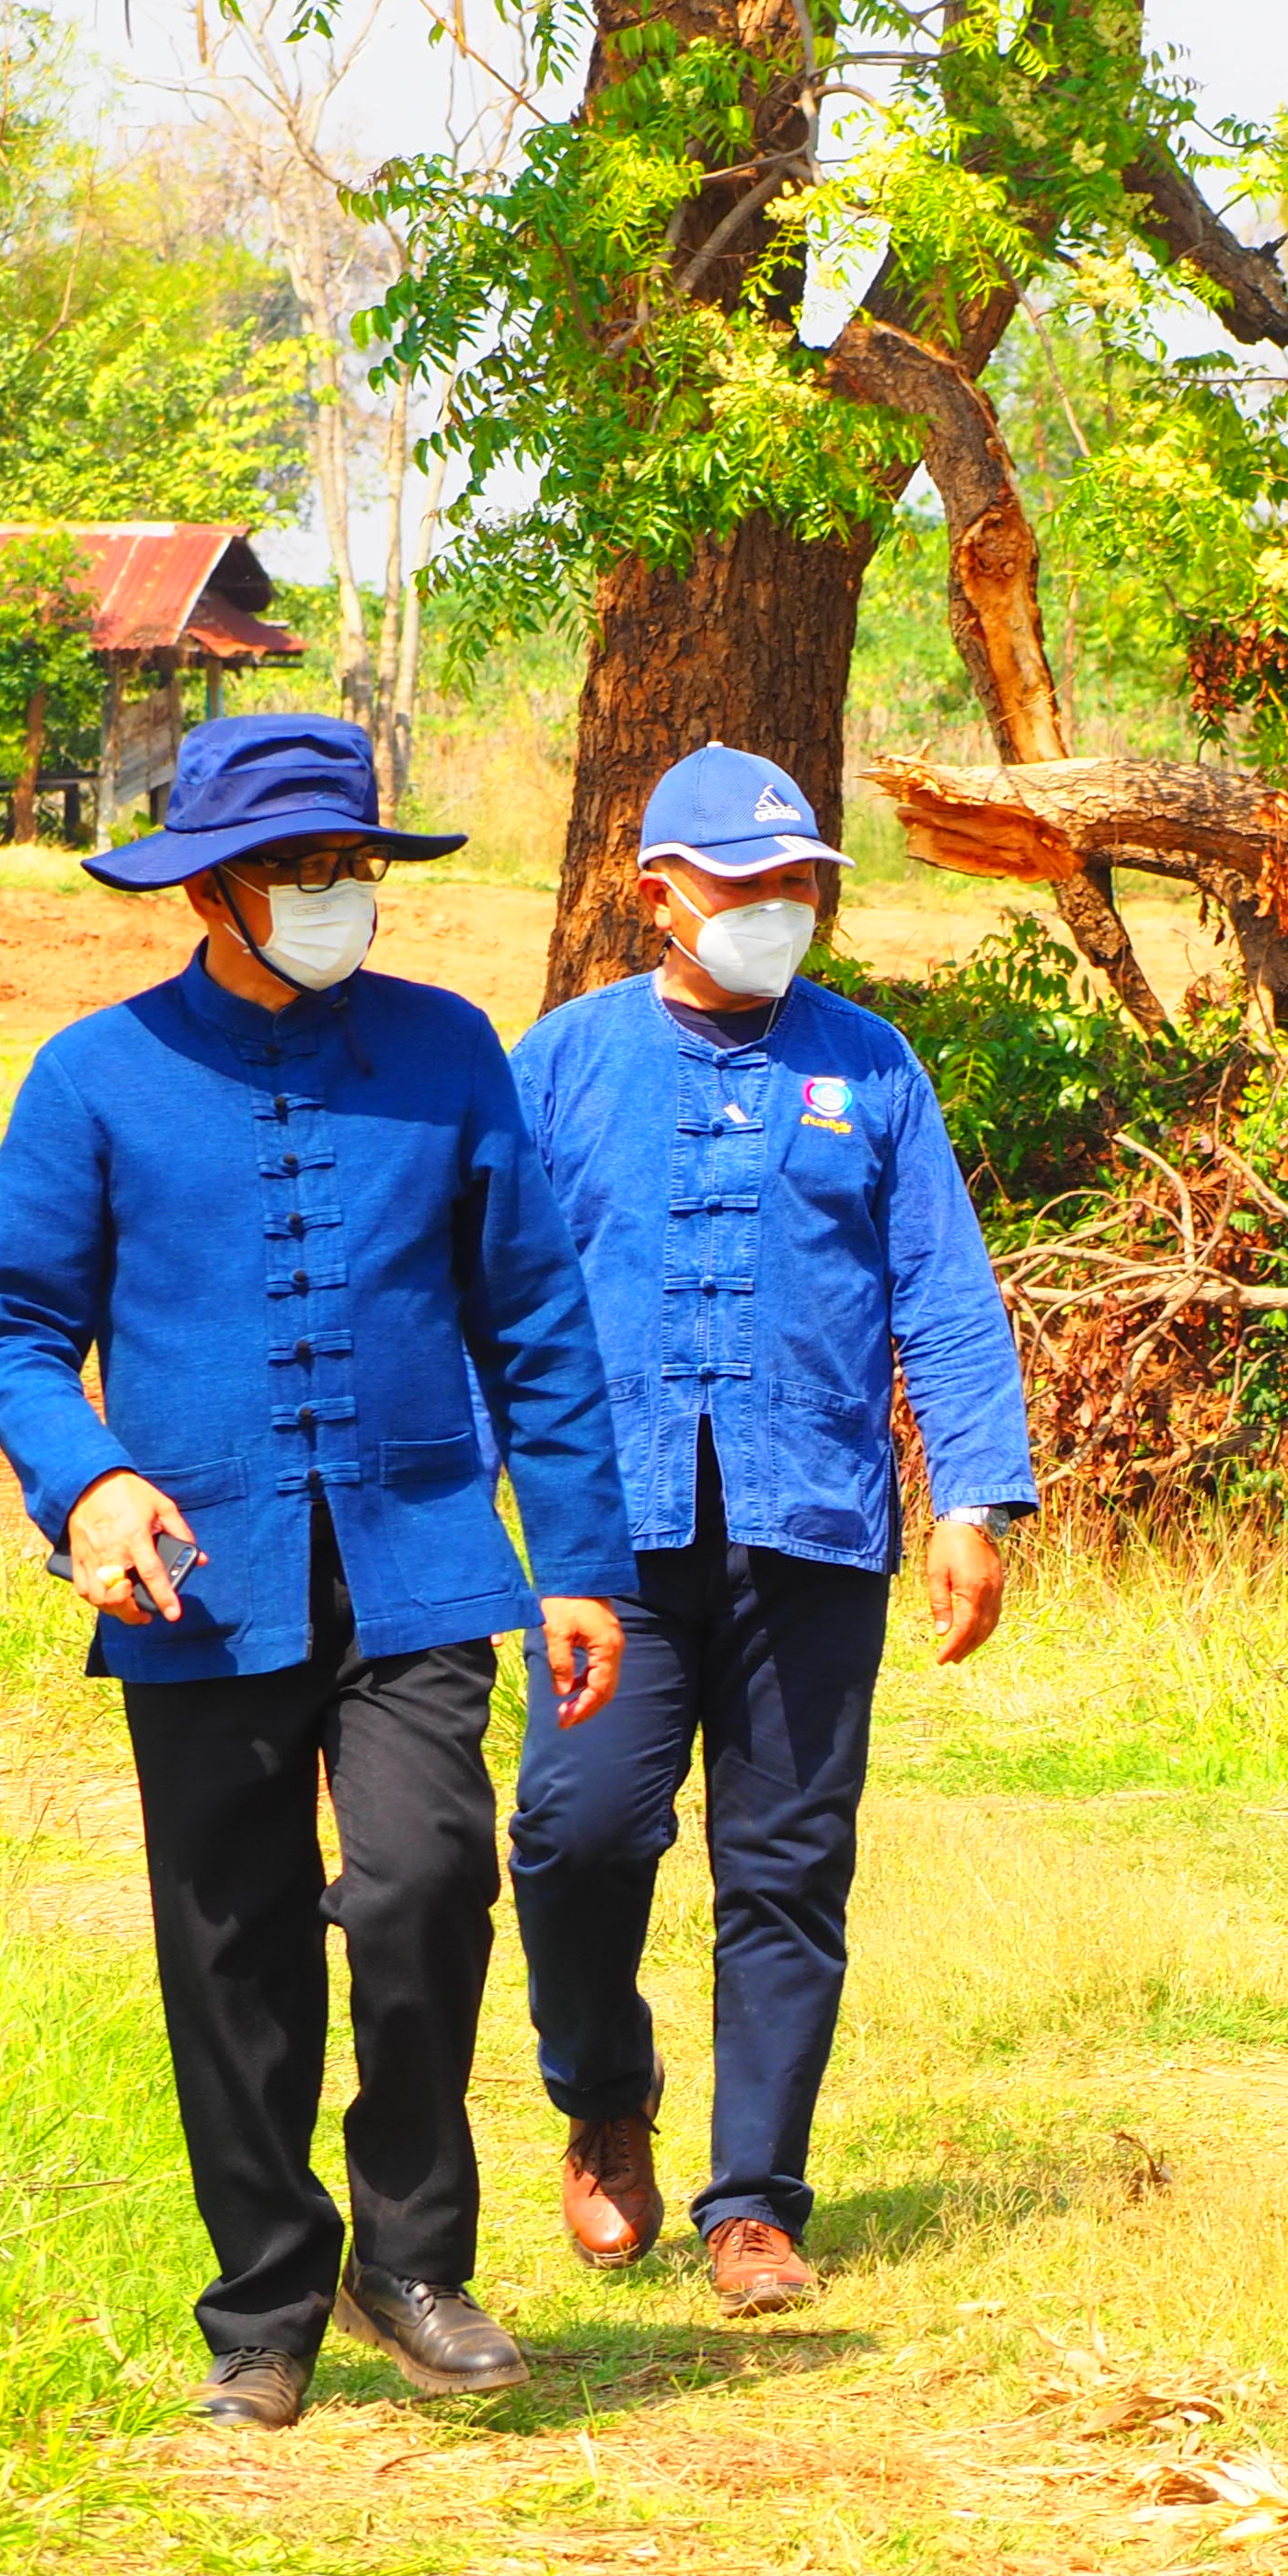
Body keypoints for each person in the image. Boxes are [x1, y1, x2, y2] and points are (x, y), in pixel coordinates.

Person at [0, 712, 638, 2431]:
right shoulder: (95, 1079)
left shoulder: (446, 1053)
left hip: (417, 1559)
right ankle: (263, 2309)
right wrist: (86, 1481)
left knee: (421, 1885)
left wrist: (578, 1562)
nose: (337, 898)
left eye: (354, 868)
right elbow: (13, 1325)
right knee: (232, 1940)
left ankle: (412, 2258)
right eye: (299, 872)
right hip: (197, 1579)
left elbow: (538, 1321)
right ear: (207, 889)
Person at [503, 740, 1039, 2320]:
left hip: (814, 1531)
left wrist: (975, 1500)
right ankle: (606, 2095)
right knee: (575, 1830)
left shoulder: (873, 1071)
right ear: (658, 892)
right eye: (742, 886)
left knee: (788, 1864)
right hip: (612, 1544)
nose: (776, 911)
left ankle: (754, 2205)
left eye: (798, 885)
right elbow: (496, 1295)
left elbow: (944, 1294)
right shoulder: (567, 1063)